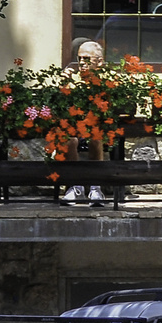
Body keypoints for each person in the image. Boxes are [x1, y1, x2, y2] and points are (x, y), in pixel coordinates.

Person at [60, 40, 108, 207]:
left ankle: (95, 188)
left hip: (99, 130)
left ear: (99, 61)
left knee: (95, 136)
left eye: (86, 59)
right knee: (69, 140)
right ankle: (76, 186)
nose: (81, 63)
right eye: (79, 58)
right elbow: (59, 108)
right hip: (75, 129)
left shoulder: (108, 80)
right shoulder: (72, 80)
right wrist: (62, 85)